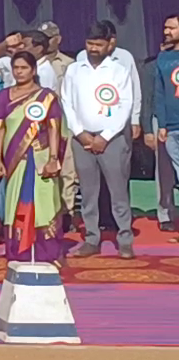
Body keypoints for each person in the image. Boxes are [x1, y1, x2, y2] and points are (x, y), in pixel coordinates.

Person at [60, 23, 140, 258]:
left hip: (112, 139)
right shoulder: (75, 69)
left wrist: (104, 137)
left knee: (118, 191)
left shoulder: (118, 70)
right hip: (82, 138)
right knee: (88, 191)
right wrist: (80, 132)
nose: (93, 48)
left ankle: (124, 238)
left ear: (109, 45)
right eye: (90, 44)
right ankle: (91, 238)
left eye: (98, 44)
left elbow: (124, 106)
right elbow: (67, 102)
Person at [0, 51, 70, 263]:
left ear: (33, 70)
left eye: (24, 68)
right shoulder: (3, 97)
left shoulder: (46, 97)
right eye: (16, 68)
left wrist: (54, 158)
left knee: (45, 202)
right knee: (15, 202)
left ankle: (50, 251)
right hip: (14, 160)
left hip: (40, 157)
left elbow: (55, 128)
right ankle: (18, 250)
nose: (19, 72)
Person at [148, 15, 179, 229]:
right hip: (168, 124)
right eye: (165, 27)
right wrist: (161, 124)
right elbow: (158, 93)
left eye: (171, 28)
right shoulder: (162, 58)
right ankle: (166, 214)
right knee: (165, 171)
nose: (166, 31)